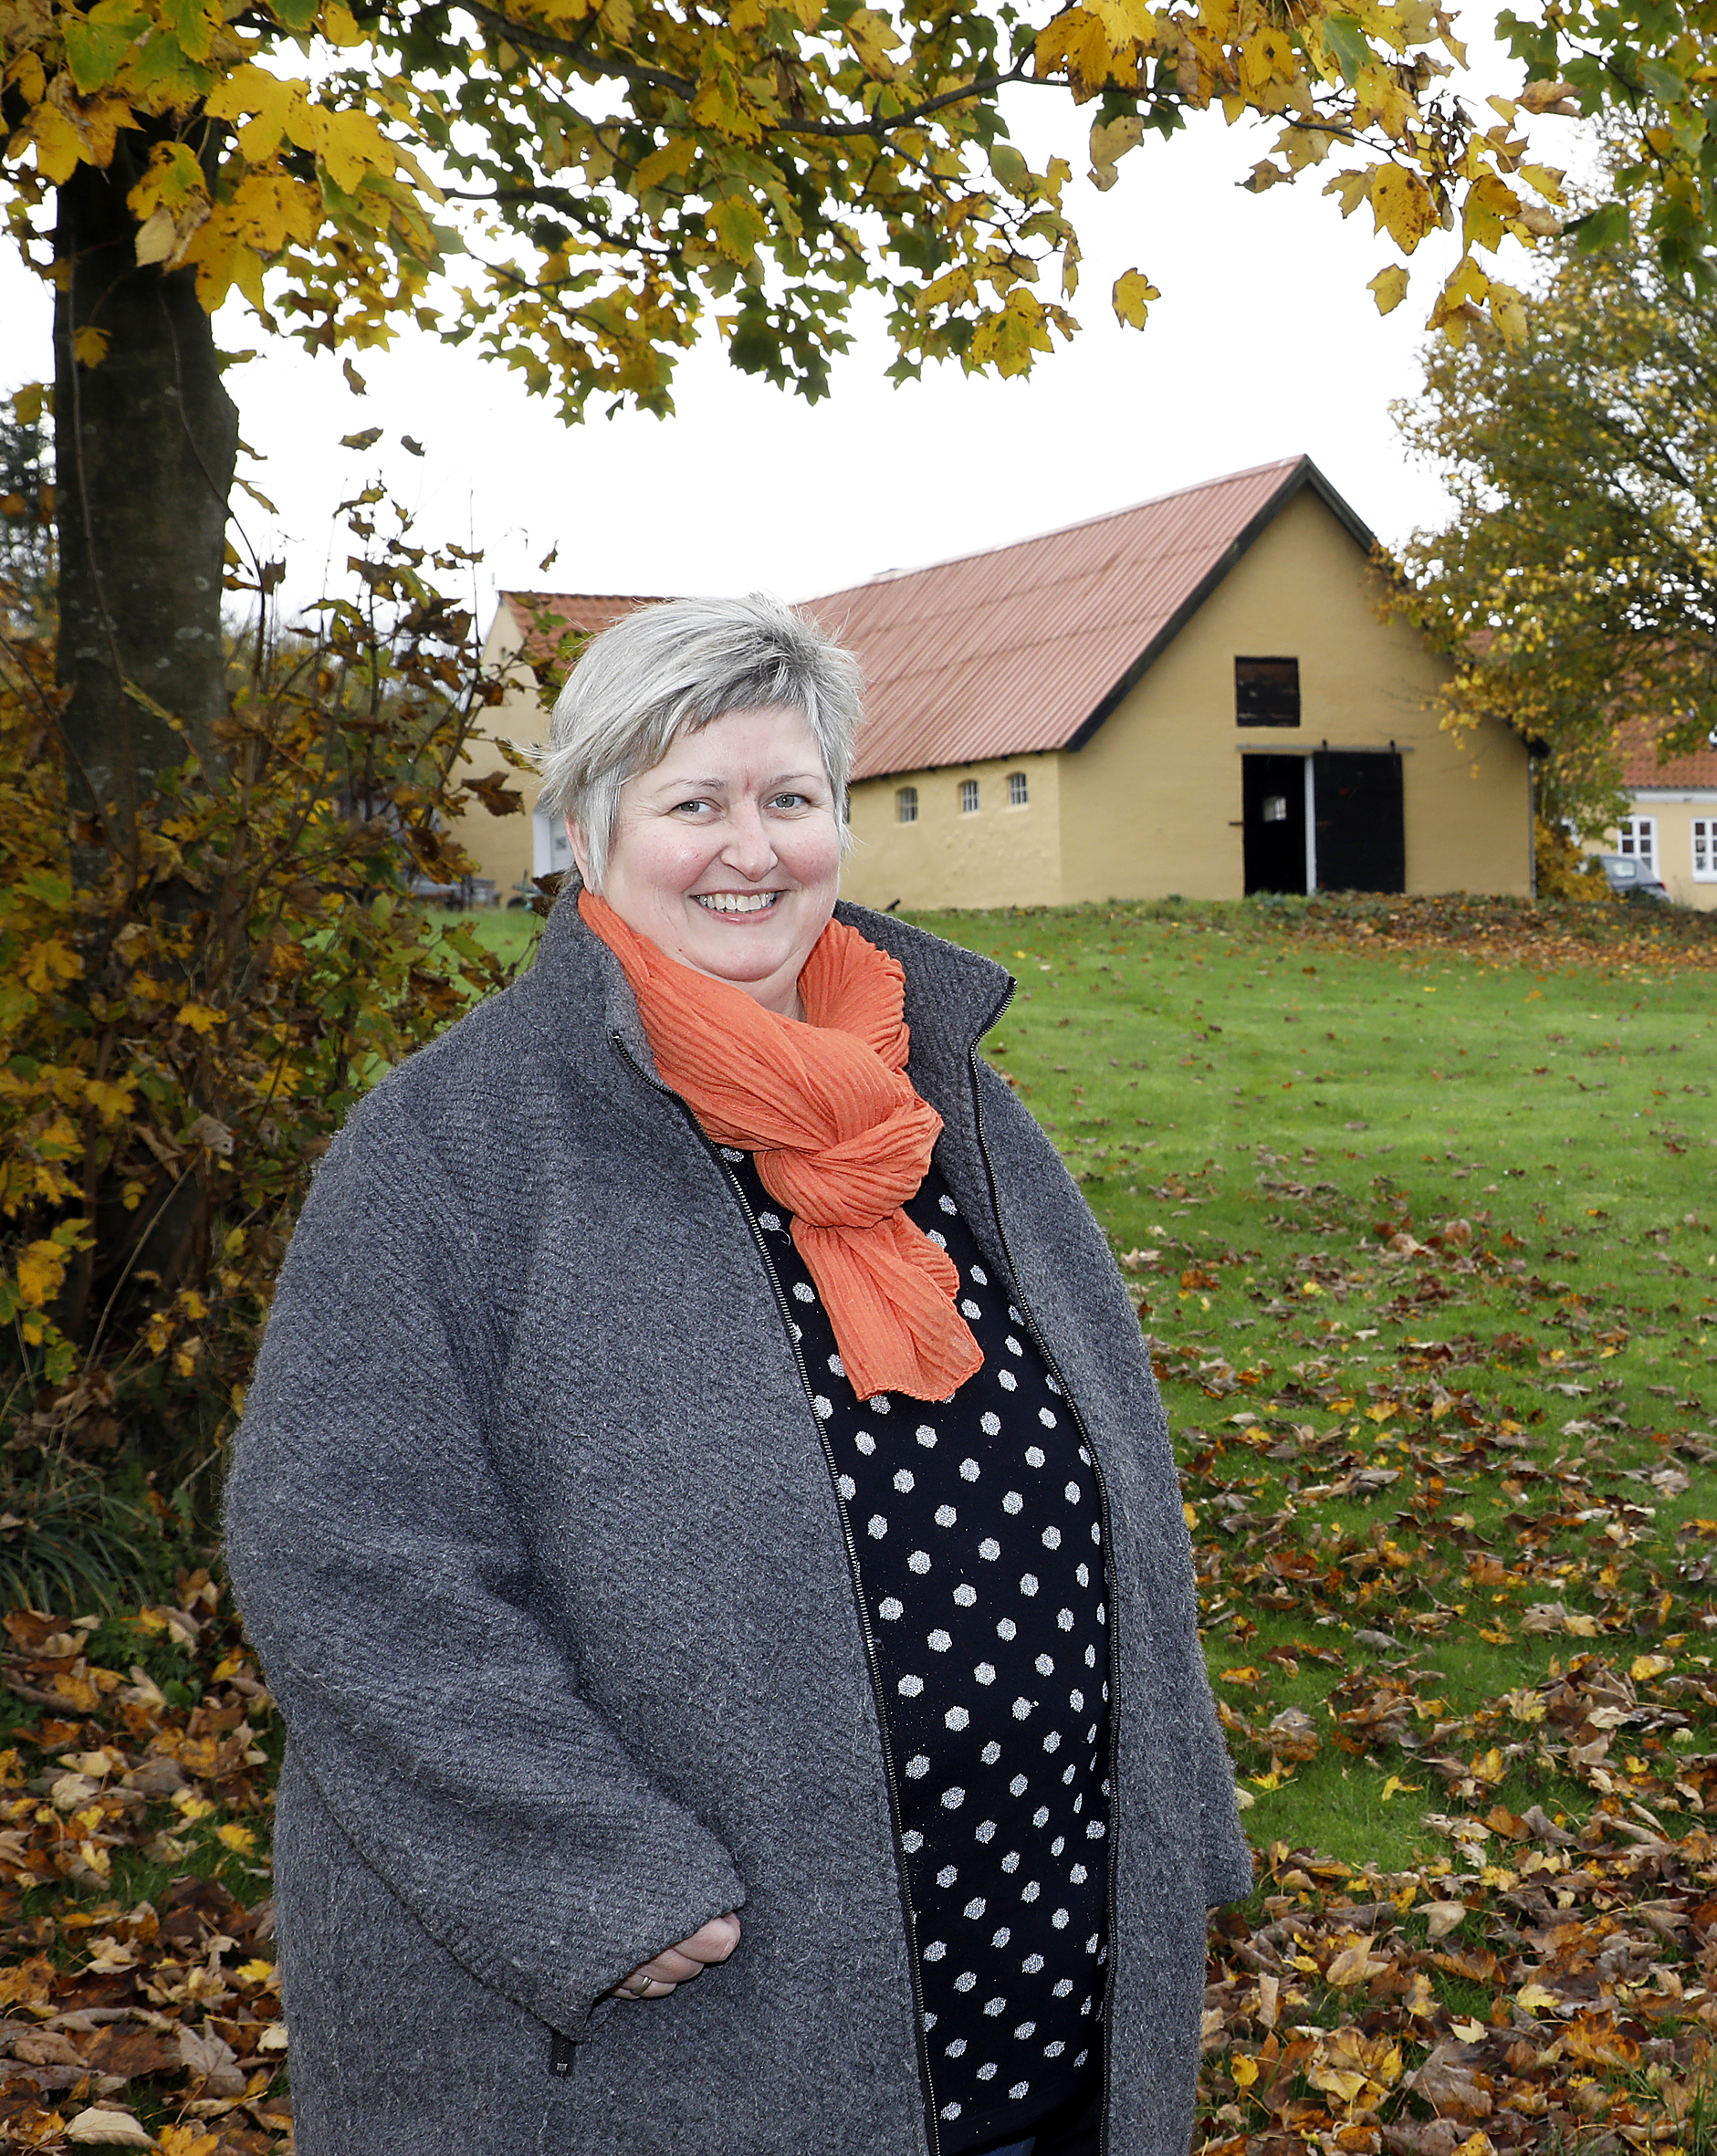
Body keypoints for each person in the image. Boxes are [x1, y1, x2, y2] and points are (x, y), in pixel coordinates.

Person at [225, 594, 1250, 2156]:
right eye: (692, 802)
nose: (749, 848)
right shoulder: (456, 1150)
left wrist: (1172, 1811)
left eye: (790, 798)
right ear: (582, 827)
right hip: (678, 2021)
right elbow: (344, 1562)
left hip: (1029, 1981)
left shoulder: (949, 1107)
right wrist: (590, 1874)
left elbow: (1116, 1485)